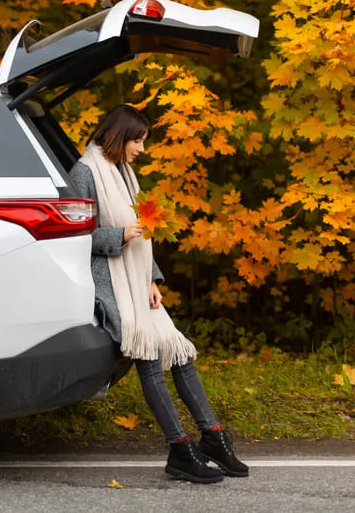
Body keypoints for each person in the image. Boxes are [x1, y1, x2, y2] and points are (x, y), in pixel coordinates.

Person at [68, 104, 248, 484]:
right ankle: (179, 450)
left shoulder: (123, 172)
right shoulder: (84, 173)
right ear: (118, 135)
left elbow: (144, 232)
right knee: (149, 357)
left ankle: (213, 437)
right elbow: (74, 237)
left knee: (179, 353)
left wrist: (152, 278)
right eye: (138, 140)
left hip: (136, 280)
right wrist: (119, 236)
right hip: (111, 284)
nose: (141, 149)